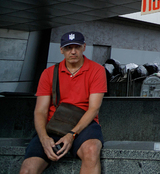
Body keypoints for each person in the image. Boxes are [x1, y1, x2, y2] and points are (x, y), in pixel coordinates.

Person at [20, 32, 107, 174]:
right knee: (27, 169)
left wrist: (72, 134)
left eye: (77, 47)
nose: (73, 51)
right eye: (68, 48)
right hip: (54, 125)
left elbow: (93, 108)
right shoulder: (48, 73)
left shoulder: (97, 70)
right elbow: (40, 111)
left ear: (84, 47)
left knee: (91, 151)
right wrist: (44, 138)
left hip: (85, 125)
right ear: (61, 50)